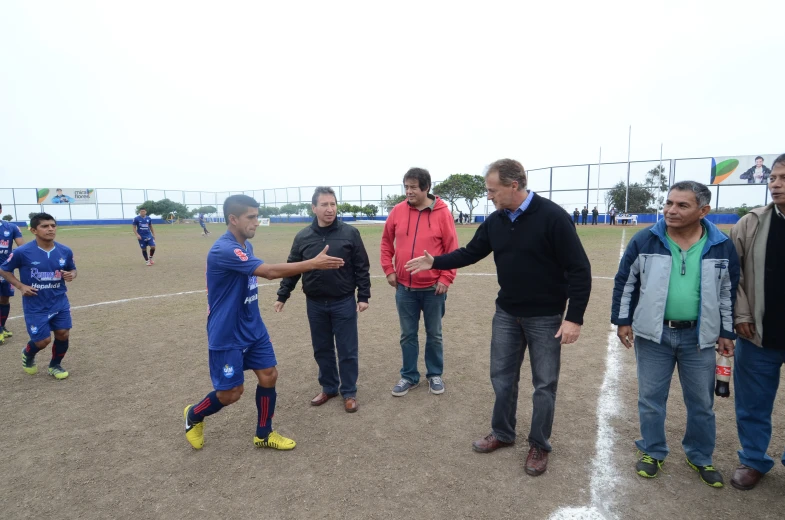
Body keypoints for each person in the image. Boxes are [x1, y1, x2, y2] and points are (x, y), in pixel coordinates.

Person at [405, 159, 592, 477]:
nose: (489, 196)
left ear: (513, 186)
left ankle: (539, 444)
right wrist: (435, 261)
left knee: (544, 384)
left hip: (545, 317)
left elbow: (579, 269)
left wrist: (573, 318)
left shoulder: (553, 218)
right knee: (502, 379)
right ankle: (503, 433)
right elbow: (470, 252)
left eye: (492, 190)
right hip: (506, 314)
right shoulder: (496, 221)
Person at [183, 195, 344, 451]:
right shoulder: (224, 249)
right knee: (232, 393)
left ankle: (264, 433)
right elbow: (269, 272)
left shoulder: (245, 246)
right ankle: (194, 415)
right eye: (251, 217)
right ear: (233, 219)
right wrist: (313, 264)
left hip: (252, 326)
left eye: (257, 216)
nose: (257, 222)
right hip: (227, 333)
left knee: (269, 375)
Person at [611, 180, 739, 488]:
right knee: (651, 398)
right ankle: (653, 451)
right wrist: (623, 320)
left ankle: (700, 456)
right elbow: (625, 281)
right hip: (654, 336)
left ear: (703, 210)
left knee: (701, 402)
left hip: (700, 338)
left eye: (682, 205)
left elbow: (727, 292)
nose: (671, 210)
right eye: (669, 203)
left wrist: (726, 331)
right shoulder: (646, 239)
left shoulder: (720, 244)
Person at [275, 187, 371, 413]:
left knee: (347, 349)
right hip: (315, 304)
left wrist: (363, 295)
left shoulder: (350, 233)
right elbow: (292, 268)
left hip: (343, 302)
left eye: (333, 204)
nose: (330, 209)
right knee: (322, 348)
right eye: (325, 205)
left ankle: (349, 391)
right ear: (314, 208)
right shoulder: (303, 237)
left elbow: (361, 267)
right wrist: (283, 295)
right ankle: (329, 387)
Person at [728, 153, 785, 491]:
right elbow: (732, 276)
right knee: (753, 402)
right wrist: (742, 314)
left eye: (783, 179)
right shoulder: (750, 223)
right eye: (774, 178)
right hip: (758, 334)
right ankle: (753, 459)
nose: (776, 184)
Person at [380, 167, 459, 396]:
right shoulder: (397, 212)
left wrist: (446, 277)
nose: (408, 192)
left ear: (426, 188)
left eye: (413, 187)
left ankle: (435, 374)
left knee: (434, 333)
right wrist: (389, 270)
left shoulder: (443, 213)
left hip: (434, 288)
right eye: (406, 187)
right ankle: (409, 376)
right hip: (404, 288)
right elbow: (386, 243)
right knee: (407, 334)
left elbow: (451, 249)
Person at [0, 213, 77, 380]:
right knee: (42, 341)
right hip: (35, 304)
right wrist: (20, 286)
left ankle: (55, 365)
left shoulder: (64, 250)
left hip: (59, 300)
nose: (50, 229)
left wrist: (71, 275)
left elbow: (72, 269)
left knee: (63, 333)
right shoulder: (22, 252)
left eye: (53, 225)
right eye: (45, 226)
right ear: (34, 230)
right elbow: (4, 269)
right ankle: (28, 353)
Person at [0, 203, 25, 344]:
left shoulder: (11, 227)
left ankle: (2, 327)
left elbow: (22, 246)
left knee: (4, 299)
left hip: (6, 270)